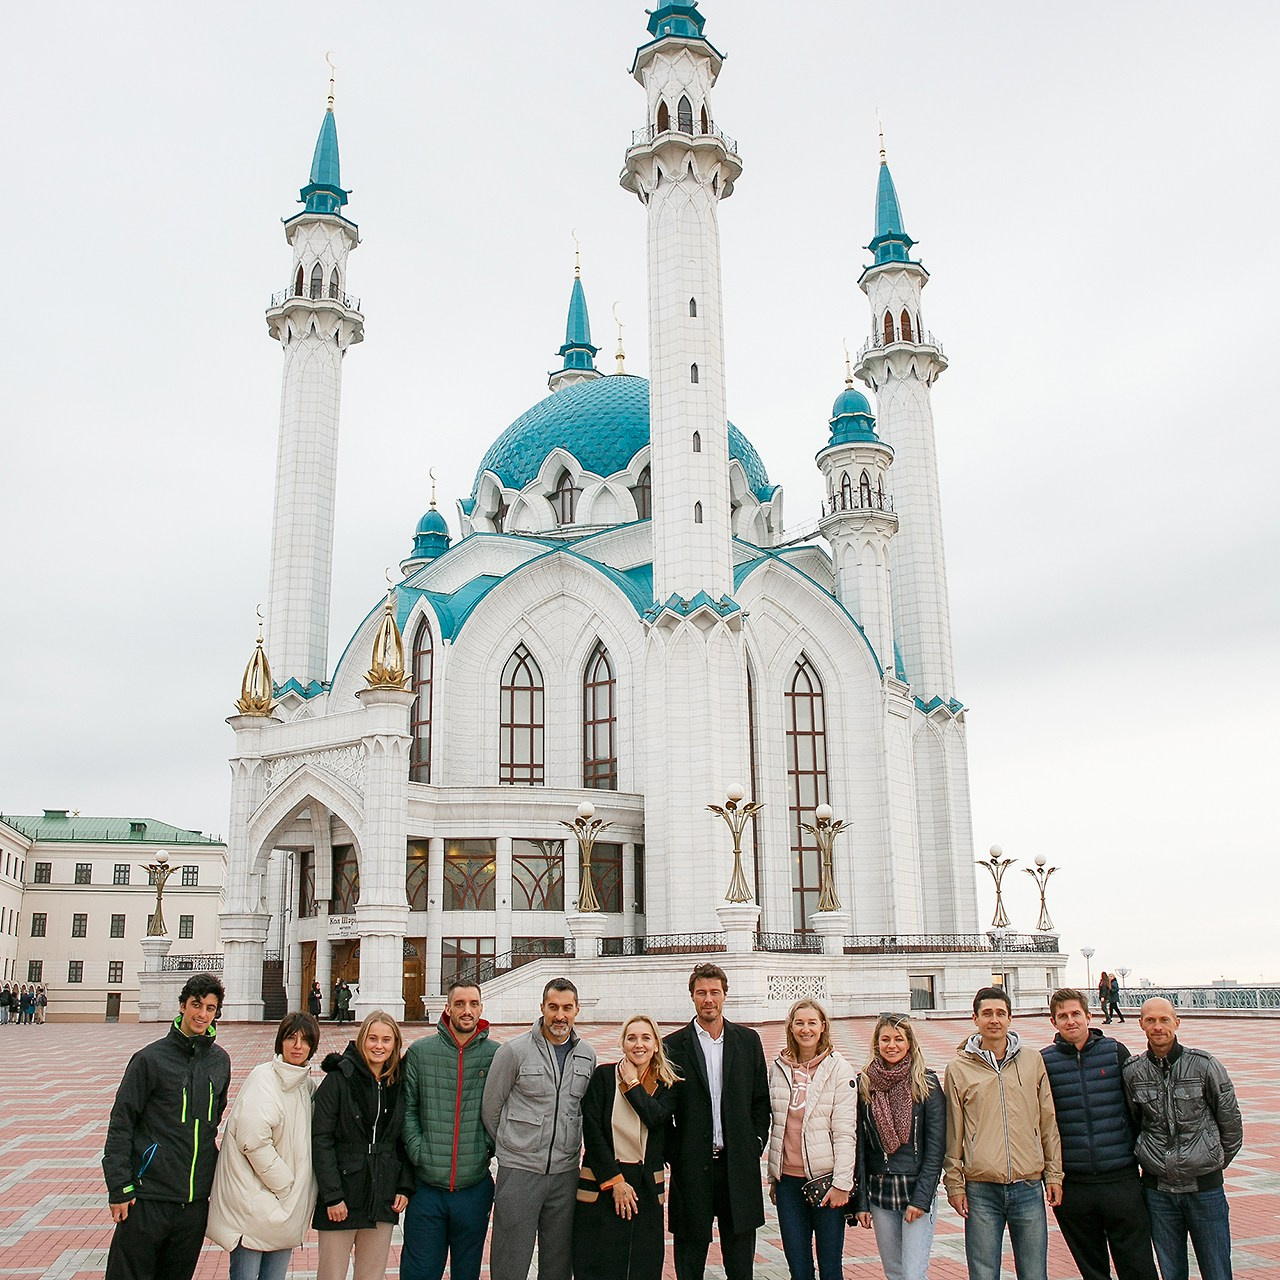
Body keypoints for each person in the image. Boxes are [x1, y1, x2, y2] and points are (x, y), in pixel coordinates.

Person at [102, 973, 230, 1280]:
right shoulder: (149, 1059)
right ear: (183, 1006)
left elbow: (213, 1120)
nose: (202, 1014)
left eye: (210, 1008)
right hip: (148, 1198)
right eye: (196, 1005)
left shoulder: (219, 1061)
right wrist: (119, 1187)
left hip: (193, 1203)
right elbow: (122, 1123)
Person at [943, 986, 1062, 1280]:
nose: (994, 1020)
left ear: (1010, 1018)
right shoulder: (958, 1068)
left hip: (1029, 1185)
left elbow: (1047, 1121)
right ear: (975, 1018)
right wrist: (954, 1184)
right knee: (983, 1273)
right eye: (987, 1014)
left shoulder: (1032, 1060)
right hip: (981, 1188)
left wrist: (1054, 1174)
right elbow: (953, 1131)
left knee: (1034, 1272)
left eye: (1000, 1013)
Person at [482, 977, 596, 1280]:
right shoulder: (514, 1051)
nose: (560, 1015)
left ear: (577, 1010)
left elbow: (585, 1111)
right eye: (553, 1007)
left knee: (558, 1263)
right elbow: (491, 1109)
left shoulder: (587, 1055)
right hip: (520, 1172)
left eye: (567, 1008)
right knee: (510, 1260)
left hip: (565, 1173)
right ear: (542, 1008)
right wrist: (514, 1145)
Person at [664, 962, 771, 1280]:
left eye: (714, 992)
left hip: (737, 1165)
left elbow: (760, 1101)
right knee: (689, 1261)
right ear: (692, 997)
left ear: (725, 995)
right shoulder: (673, 1045)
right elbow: (663, 1108)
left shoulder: (747, 1041)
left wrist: (754, 1143)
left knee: (740, 1264)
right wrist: (676, 1152)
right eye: (701, 993)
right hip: (692, 1168)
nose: (708, 999)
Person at [1122, 998, 1243, 1280]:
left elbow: (1231, 1123)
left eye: (1164, 1020)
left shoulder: (1205, 1065)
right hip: (1158, 1192)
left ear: (1177, 1022)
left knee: (1217, 1271)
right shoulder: (1133, 1071)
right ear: (1141, 1024)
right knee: (1171, 1272)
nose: (1157, 1027)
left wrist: (1211, 1160)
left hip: (1205, 1190)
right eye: (1150, 1020)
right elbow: (1134, 1123)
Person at [1041, 988, 1157, 1280]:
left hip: (1120, 1178)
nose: (1070, 1021)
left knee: (1138, 1265)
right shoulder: (1044, 1062)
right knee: (1093, 1270)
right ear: (1054, 1022)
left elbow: (1137, 1108)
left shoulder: (1115, 1051)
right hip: (1074, 1184)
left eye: (1075, 1014)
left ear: (1088, 1016)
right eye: (1063, 1016)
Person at [207, 1011, 321, 1280]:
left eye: (305, 1041)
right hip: (255, 1205)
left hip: (282, 1210)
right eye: (291, 1038)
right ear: (280, 1041)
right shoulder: (264, 1078)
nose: (297, 1046)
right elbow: (253, 1141)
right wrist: (287, 1186)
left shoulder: (306, 1087)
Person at [401, 981, 500, 1280]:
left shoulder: (497, 1055)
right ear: (447, 1008)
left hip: (474, 1189)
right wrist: (419, 1152)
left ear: (481, 1008)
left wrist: (485, 1147)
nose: (466, 1010)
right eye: (459, 1004)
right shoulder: (420, 1052)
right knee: (419, 1272)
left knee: (467, 1272)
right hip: (427, 1190)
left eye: (473, 1004)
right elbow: (408, 1110)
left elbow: (503, 1111)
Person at [574, 1014, 680, 1280]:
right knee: (600, 1263)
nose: (638, 1044)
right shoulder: (604, 1076)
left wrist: (632, 1084)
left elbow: (655, 1118)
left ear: (656, 1044)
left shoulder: (668, 1084)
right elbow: (593, 1131)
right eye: (631, 1038)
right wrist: (616, 1182)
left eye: (646, 1037)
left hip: (645, 1187)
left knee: (643, 1265)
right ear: (622, 1043)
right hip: (604, 1183)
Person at [311, 1009, 414, 1280]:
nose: (379, 1046)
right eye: (372, 1038)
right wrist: (332, 1195)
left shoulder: (398, 1083)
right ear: (361, 1040)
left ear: (395, 1044)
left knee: (371, 1275)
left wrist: (404, 1185)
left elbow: (402, 1139)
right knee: (331, 1274)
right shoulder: (339, 1078)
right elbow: (321, 1139)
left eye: (386, 1040)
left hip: (382, 1194)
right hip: (342, 1196)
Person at [767, 998, 855, 1280]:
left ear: (823, 1026)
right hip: (788, 1183)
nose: (805, 1029)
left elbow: (845, 1132)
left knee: (830, 1268)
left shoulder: (838, 1068)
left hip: (826, 1182)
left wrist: (842, 1183)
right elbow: (777, 1126)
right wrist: (774, 1177)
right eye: (799, 1022)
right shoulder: (779, 1068)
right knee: (799, 1268)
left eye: (812, 1023)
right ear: (790, 1027)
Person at [854, 1013, 946, 1280]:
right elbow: (860, 1145)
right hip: (880, 1190)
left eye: (898, 1039)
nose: (891, 1045)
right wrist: (861, 1201)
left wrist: (922, 1197)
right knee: (894, 1272)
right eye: (885, 1039)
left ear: (909, 1044)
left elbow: (936, 1147)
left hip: (915, 1188)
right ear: (876, 1043)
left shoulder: (926, 1083)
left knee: (913, 1274)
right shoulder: (865, 1085)